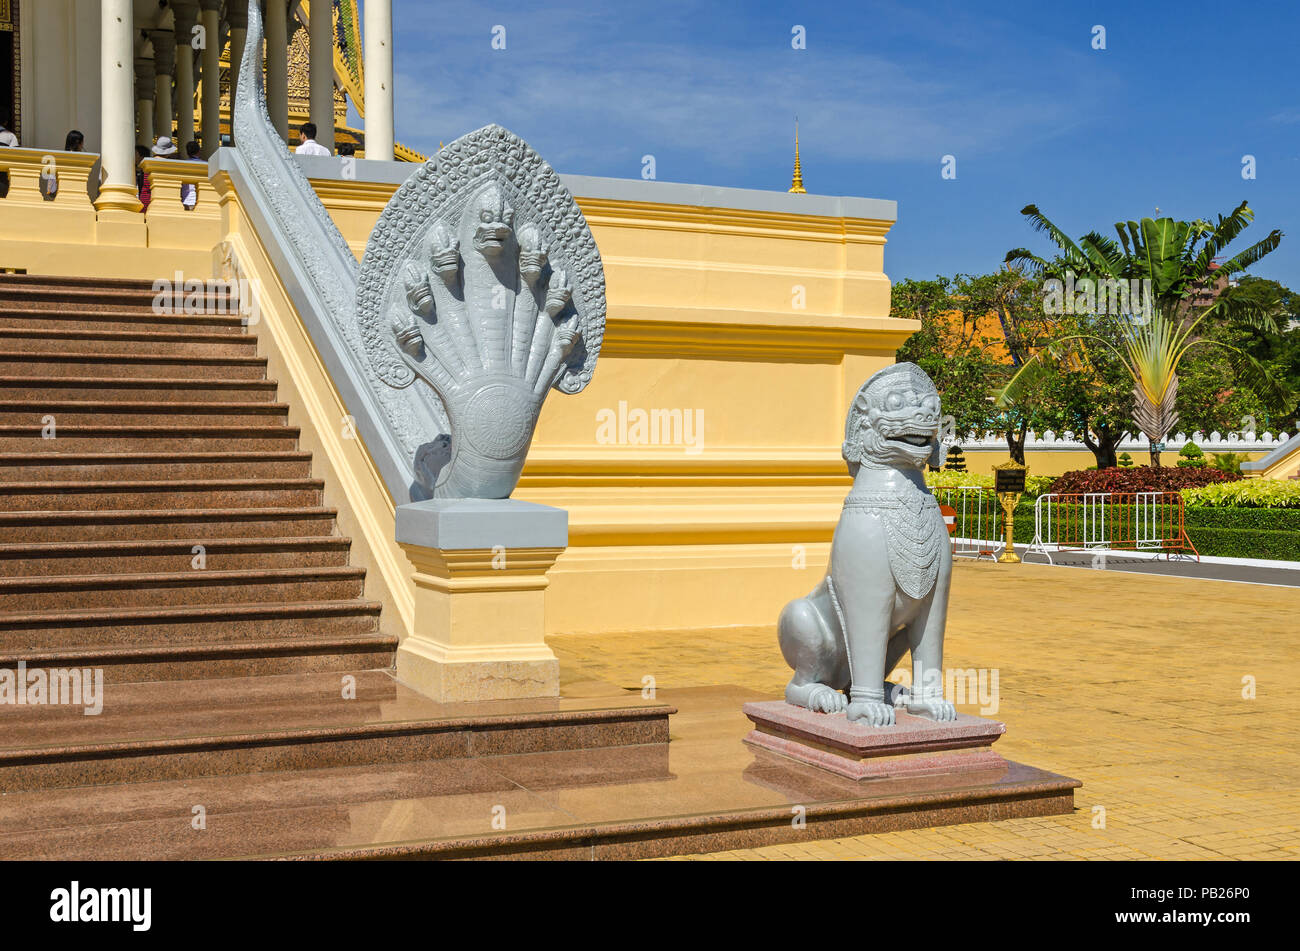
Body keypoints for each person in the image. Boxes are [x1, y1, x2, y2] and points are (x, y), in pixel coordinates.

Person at [43, 130, 85, 200]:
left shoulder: (59, 158)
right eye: (82, 143)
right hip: (72, 196)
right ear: (78, 142)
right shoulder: (79, 160)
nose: (82, 146)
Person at [181, 140, 202, 210]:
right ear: (199, 151)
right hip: (199, 200)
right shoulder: (205, 165)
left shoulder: (182, 165)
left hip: (185, 199)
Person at [135, 145, 152, 211]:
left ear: (141, 156)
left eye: (135, 154)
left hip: (145, 203)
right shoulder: (134, 171)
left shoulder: (147, 172)